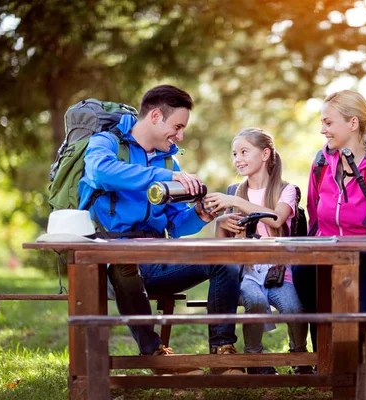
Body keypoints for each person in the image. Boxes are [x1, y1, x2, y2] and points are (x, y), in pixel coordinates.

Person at [78, 84, 243, 375]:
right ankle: (156, 355)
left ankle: (223, 355)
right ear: (155, 116)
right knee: (123, 261)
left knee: (223, 261)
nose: (180, 136)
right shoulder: (106, 143)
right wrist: (165, 175)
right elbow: (101, 172)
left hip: (156, 257)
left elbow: (176, 224)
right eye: (177, 127)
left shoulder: (168, 159)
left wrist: (201, 215)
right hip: (108, 262)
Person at [292, 90, 366, 350]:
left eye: (328, 123)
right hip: (328, 257)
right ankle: (326, 351)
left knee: (361, 262)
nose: (323, 130)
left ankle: (365, 355)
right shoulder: (320, 164)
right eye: (322, 123)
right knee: (302, 270)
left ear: (353, 123)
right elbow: (314, 216)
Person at [204, 127, 312, 375]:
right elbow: (221, 248)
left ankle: (299, 355)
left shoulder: (287, 190)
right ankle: (256, 359)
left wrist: (235, 203)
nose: (237, 159)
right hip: (246, 273)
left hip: (278, 272)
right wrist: (220, 224)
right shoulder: (233, 191)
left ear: (265, 154)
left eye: (244, 152)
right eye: (234, 154)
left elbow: (276, 219)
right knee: (254, 300)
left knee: (295, 308)